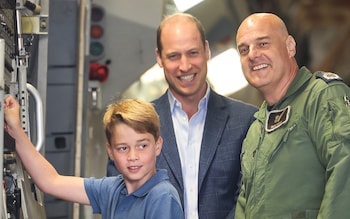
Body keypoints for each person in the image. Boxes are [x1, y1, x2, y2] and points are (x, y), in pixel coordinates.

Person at [107, 13, 258, 219]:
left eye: (193, 53)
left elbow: (252, 198)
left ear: (206, 50)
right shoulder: (133, 126)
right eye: (174, 56)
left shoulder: (246, 121)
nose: (185, 66)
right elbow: (121, 204)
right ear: (159, 58)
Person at [235, 12, 350, 218]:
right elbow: (245, 204)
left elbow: (345, 171)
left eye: (262, 44)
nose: (252, 55)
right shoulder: (255, 129)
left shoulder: (321, 97)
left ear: (290, 46)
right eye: (244, 49)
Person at [3, 96, 184, 219]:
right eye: (123, 148)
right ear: (110, 152)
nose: (133, 156)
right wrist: (16, 130)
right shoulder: (112, 189)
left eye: (142, 146)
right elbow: (51, 181)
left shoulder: (162, 196)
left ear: (158, 146)